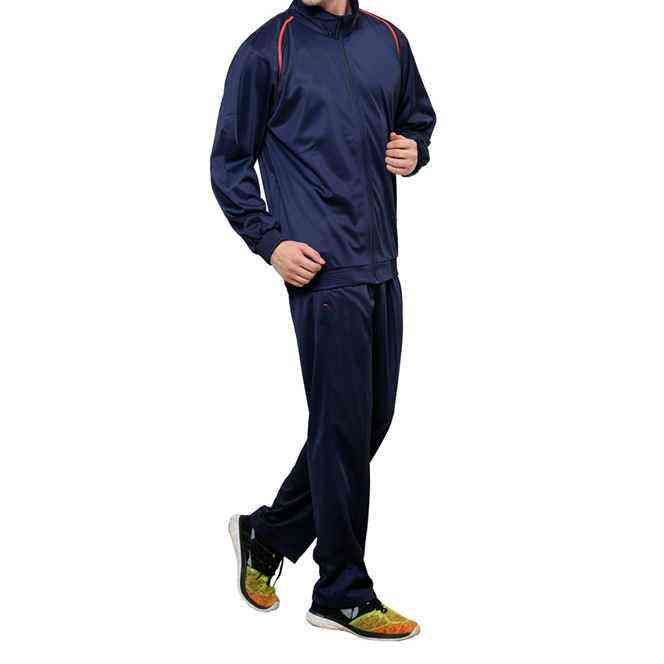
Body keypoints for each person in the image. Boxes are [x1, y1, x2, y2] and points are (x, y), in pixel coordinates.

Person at [211, 0, 436, 641]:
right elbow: (229, 162)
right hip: (321, 269)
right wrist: (270, 243)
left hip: (381, 262)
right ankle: (341, 591)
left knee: (367, 422)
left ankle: (269, 534)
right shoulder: (268, 49)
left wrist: (414, 149)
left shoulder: (388, 40)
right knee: (340, 431)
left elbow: (417, 118)